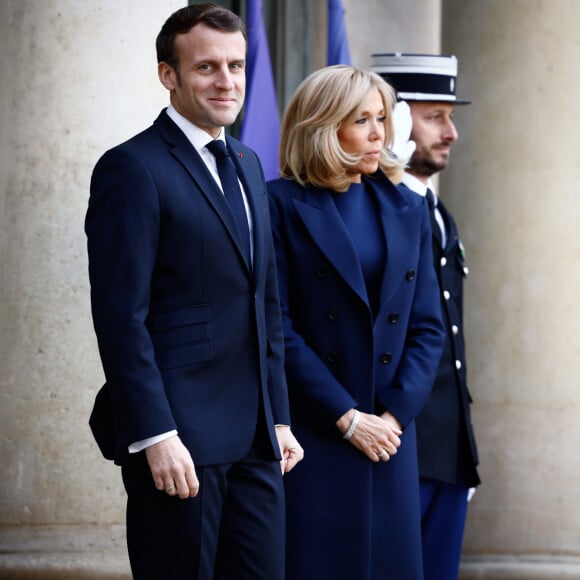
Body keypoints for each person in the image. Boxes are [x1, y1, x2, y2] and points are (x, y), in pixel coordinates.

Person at [85, 5, 303, 579]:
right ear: (169, 75)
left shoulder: (252, 165)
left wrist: (279, 417)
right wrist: (155, 434)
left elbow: (266, 303)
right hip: (179, 439)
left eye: (236, 65)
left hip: (258, 440)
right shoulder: (131, 168)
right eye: (207, 67)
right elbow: (119, 316)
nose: (227, 81)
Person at [267, 65, 445, 580]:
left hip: (389, 437)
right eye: (361, 119)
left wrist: (390, 419)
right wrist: (346, 418)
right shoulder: (277, 205)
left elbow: (428, 326)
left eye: (382, 118)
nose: (379, 134)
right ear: (323, 127)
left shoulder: (407, 208)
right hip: (313, 432)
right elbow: (276, 325)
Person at [372, 53, 481, 580]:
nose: (451, 132)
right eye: (434, 115)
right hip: (396, 443)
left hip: (447, 450)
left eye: (450, 116)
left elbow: (448, 340)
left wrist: (465, 447)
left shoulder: (436, 211)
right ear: (393, 120)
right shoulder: (376, 207)